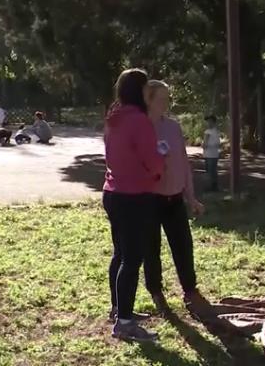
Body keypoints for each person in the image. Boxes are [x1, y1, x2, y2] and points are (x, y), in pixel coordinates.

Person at [102, 68, 165, 342]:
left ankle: (119, 310)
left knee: (121, 254)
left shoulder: (113, 117)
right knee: (132, 259)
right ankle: (124, 323)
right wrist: (161, 160)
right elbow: (152, 160)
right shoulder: (139, 121)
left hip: (113, 192)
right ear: (140, 92)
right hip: (133, 196)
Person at [141, 80, 208, 316]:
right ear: (148, 99)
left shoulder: (173, 127)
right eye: (161, 98)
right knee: (151, 248)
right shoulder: (140, 128)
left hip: (174, 198)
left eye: (168, 98)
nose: (166, 103)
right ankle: (156, 291)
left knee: (183, 245)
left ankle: (190, 290)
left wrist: (191, 198)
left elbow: (183, 163)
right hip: (150, 199)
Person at [203, 115, 221, 192]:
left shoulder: (214, 132)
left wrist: (207, 145)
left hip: (212, 155)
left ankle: (213, 186)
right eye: (208, 121)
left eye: (210, 121)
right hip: (208, 154)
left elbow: (217, 143)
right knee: (209, 171)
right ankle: (211, 186)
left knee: (212, 171)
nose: (208, 123)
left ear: (214, 122)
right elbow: (205, 143)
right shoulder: (208, 131)